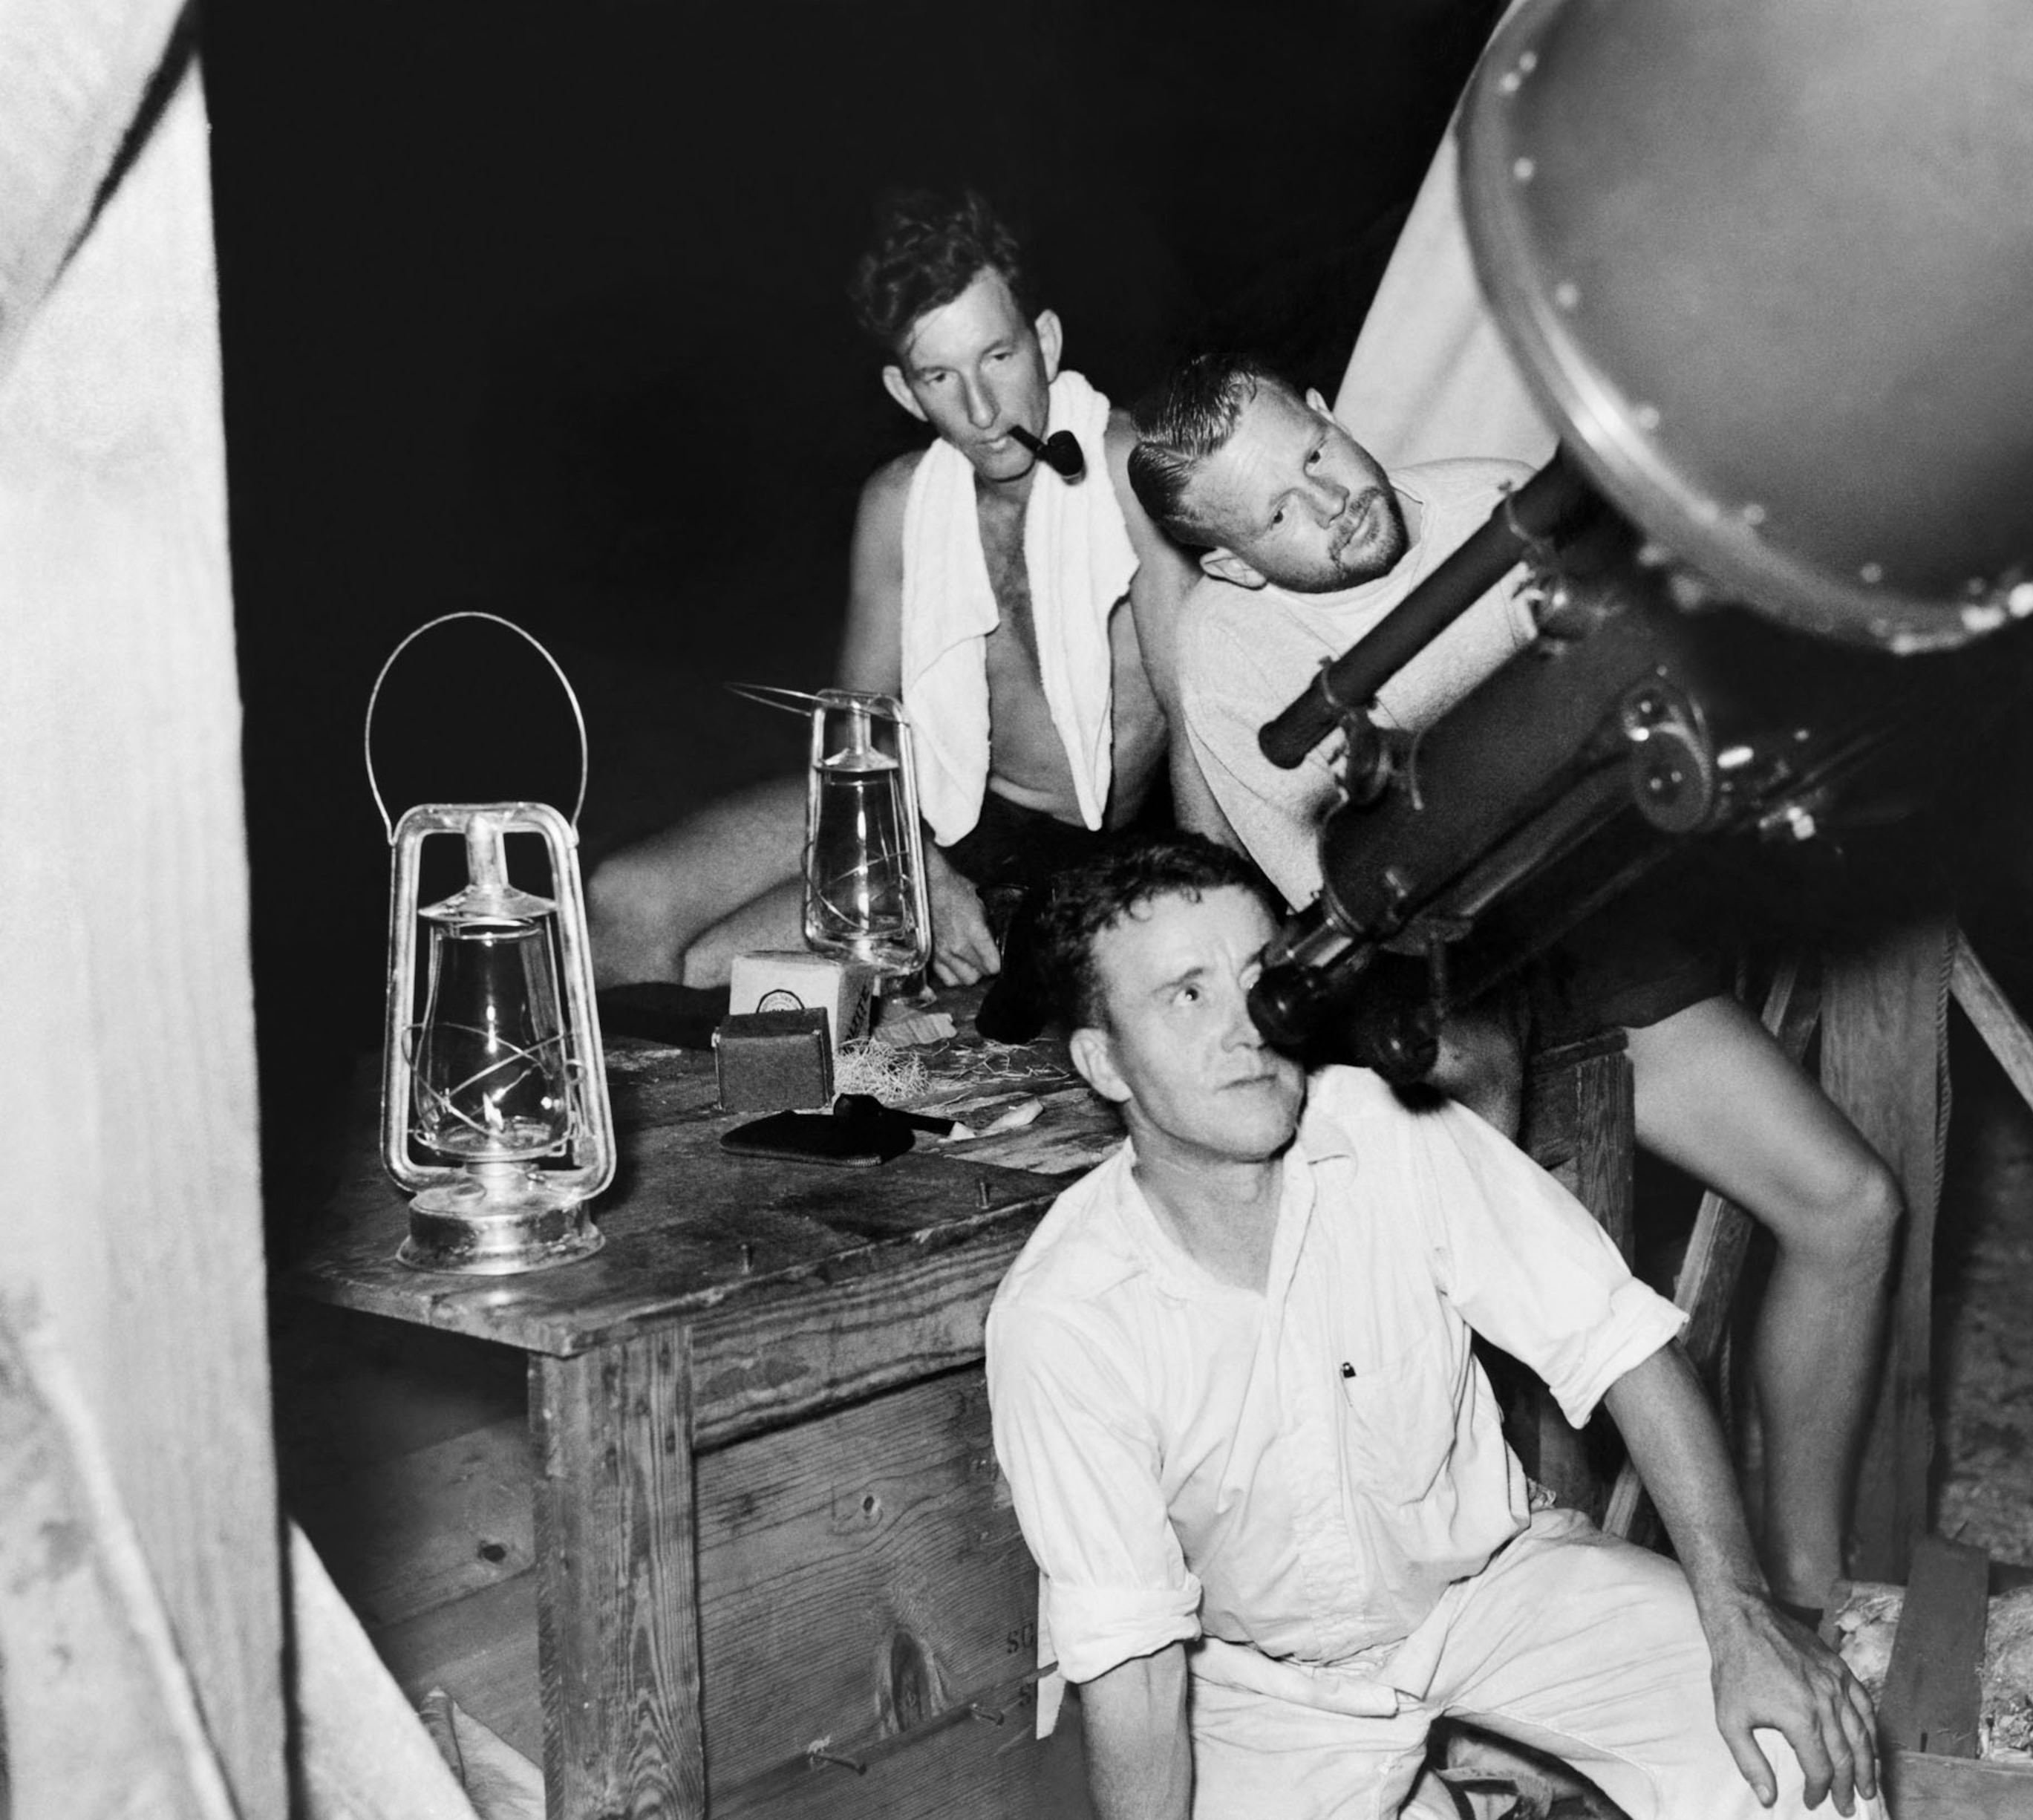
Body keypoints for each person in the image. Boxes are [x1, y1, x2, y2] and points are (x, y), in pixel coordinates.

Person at [1124, 355, 1902, 1617]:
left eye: (1313, 456)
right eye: (1275, 512)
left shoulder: (1498, 505)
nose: (1328, 504)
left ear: (1326, 414)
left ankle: (1816, 1594)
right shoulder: (1230, 653)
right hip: (1433, 1007)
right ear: (1232, 560)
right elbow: (1342, 932)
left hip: (1601, 936)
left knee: (1850, 1206)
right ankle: (1533, 1604)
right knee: (1502, 1345)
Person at [986, 833, 1881, 1820]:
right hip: (1254, 1687)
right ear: (1102, 1060)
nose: (1247, 1025)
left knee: (1801, 1757)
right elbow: (1141, 1682)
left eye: (1258, 975)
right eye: (1185, 995)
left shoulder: (1385, 1126)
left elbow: (1623, 1346)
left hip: (1495, 1590)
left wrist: (1744, 1615)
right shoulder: (1067, 1318)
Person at [586, 190, 1211, 997]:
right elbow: (853, 730)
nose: (982, 410)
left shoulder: (1126, 468)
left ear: (1046, 343)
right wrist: (923, 870)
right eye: (940, 376)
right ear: (905, 391)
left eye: (999, 357)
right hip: (921, 811)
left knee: (709, 969)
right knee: (619, 897)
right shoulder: (899, 503)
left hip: (1055, 848)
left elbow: (1200, 719)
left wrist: (1207, 902)